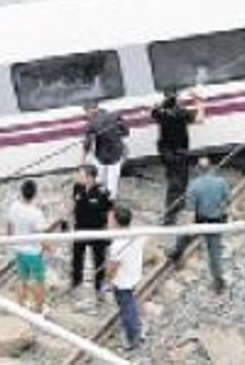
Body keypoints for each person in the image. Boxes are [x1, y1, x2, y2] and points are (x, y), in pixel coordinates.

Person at [168, 156, 230, 293]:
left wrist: (189, 228)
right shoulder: (221, 182)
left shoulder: (193, 186)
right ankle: (219, 281)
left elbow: (190, 211)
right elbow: (227, 201)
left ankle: (177, 254)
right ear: (211, 167)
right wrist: (221, 212)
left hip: (200, 219)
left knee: (182, 235)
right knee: (214, 252)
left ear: (197, 169)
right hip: (217, 220)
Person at [150, 87, 206, 223]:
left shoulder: (159, 113)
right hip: (180, 153)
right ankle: (170, 216)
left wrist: (162, 103)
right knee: (178, 184)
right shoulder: (181, 113)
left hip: (165, 153)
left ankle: (177, 208)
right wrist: (199, 102)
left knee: (174, 181)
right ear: (176, 99)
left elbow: (154, 110)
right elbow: (200, 119)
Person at [104, 205, 147, 352]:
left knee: (126, 308)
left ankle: (133, 338)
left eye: (111, 219)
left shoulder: (118, 246)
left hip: (122, 282)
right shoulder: (136, 234)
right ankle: (137, 328)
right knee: (130, 304)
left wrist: (107, 282)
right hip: (134, 274)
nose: (108, 222)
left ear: (116, 222)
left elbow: (112, 268)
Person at [70, 164, 112, 306]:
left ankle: (99, 287)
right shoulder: (77, 187)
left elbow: (110, 210)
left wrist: (110, 230)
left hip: (97, 231)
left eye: (80, 175)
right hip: (80, 229)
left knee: (99, 261)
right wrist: (68, 219)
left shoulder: (102, 192)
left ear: (90, 177)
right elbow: (73, 204)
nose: (78, 177)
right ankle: (76, 282)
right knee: (77, 259)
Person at [8, 178, 49, 313]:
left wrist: (11, 241)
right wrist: (49, 247)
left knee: (22, 279)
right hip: (33, 253)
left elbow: (10, 226)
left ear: (21, 192)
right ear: (35, 194)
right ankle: (39, 308)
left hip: (19, 249)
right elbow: (41, 234)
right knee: (39, 281)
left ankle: (20, 304)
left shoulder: (14, 207)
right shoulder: (36, 214)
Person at [81, 102, 130, 199]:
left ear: (90, 110)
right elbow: (126, 132)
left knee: (100, 177)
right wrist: (115, 135)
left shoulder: (91, 123)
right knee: (113, 179)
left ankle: (100, 198)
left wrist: (82, 161)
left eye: (86, 113)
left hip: (102, 155)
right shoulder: (115, 116)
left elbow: (87, 144)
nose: (87, 115)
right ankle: (110, 199)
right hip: (117, 152)